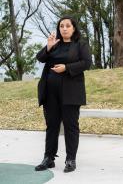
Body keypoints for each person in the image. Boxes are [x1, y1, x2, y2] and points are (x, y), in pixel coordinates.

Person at [35, 16, 92, 173]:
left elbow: (86, 63)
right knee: (51, 125)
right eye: (61, 26)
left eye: (68, 26)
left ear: (73, 28)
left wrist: (66, 68)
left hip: (71, 92)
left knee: (71, 126)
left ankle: (70, 159)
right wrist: (48, 46)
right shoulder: (54, 44)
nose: (64, 28)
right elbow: (40, 58)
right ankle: (49, 158)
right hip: (50, 92)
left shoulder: (80, 44)